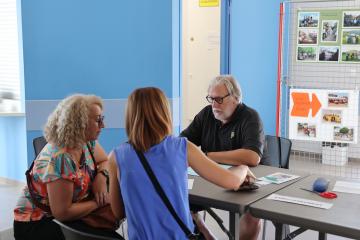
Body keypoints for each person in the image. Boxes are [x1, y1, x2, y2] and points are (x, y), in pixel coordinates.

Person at [108, 87, 255, 240]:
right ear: (164, 113)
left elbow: (118, 212)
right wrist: (242, 168)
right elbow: (231, 181)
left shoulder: (116, 156)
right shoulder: (182, 148)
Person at [13, 94, 122, 240]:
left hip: (68, 211)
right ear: (80, 123)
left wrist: (102, 178)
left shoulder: (85, 141)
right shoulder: (60, 158)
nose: (103, 125)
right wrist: (100, 201)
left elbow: (104, 161)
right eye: (98, 120)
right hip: (38, 223)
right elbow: (62, 213)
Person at [180, 75, 265, 240]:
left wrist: (208, 156)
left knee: (251, 214)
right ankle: (205, 232)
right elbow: (180, 145)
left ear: (235, 98)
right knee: (180, 200)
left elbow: (252, 156)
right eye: (211, 99)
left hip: (246, 183)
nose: (213, 105)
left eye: (219, 99)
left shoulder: (250, 117)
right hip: (211, 182)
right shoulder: (206, 115)